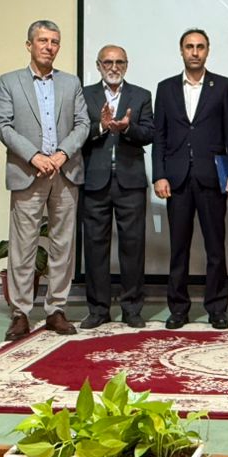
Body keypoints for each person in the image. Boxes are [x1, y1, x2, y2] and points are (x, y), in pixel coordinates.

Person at [0, 21, 89, 341]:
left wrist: (62, 154)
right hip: (28, 172)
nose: (49, 46)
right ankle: (20, 312)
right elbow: (3, 125)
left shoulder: (70, 83)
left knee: (63, 244)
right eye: (43, 40)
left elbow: (83, 124)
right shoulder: (10, 82)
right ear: (29, 45)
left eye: (55, 42)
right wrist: (34, 156)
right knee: (23, 246)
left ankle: (56, 309)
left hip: (64, 171)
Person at [152, 28, 228, 329]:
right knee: (178, 248)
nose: (194, 52)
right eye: (189, 46)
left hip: (211, 177)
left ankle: (217, 308)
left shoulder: (223, 85)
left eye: (200, 47)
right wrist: (159, 175)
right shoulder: (165, 88)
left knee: (215, 248)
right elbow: (159, 137)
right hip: (176, 179)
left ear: (207, 51)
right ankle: (178, 309)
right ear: (181, 50)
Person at [79, 44, 153, 329]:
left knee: (133, 247)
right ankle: (98, 310)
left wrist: (127, 128)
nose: (114, 67)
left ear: (126, 65)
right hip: (94, 180)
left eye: (119, 62)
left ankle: (132, 309)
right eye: (108, 62)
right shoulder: (84, 94)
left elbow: (150, 132)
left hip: (130, 181)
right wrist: (100, 127)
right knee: (95, 247)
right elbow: (76, 132)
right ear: (98, 66)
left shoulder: (141, 95)